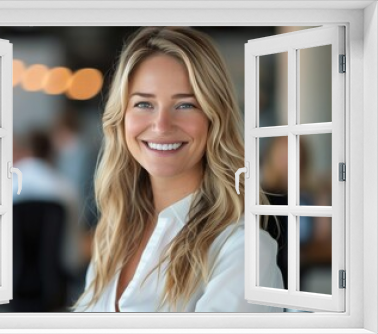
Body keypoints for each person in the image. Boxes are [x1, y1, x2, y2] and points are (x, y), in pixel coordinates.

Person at [73, 26, 283, 312]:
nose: (161, 125)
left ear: (214, 117)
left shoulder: (243, 250)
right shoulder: (112, 236)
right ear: (121, 118)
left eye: (185, 105)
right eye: (144, 103)